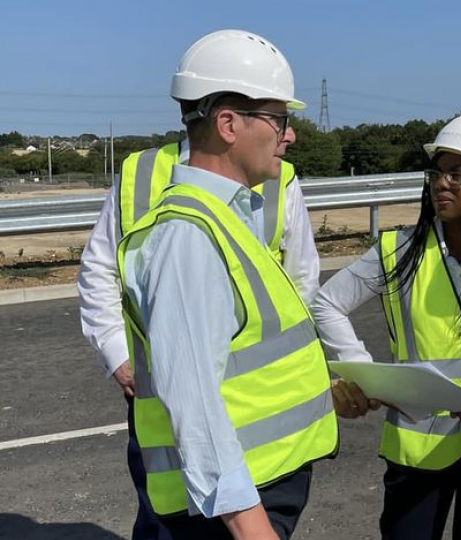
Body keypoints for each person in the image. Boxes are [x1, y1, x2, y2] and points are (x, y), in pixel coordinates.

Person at [76, 32, 320, 540]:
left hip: (251, 477)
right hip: (232, 503)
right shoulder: (189, 235)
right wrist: (250, 525)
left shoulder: (222, 214)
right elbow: (195, 402)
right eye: (279, 120)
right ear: (228, 124)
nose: (290, 135)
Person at [311, 114, 461, 540]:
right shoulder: (397, 251)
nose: (441, 184)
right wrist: (364, 372)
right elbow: (327, 302)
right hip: (418, 445)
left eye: (458, 174)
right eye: (437, 173)